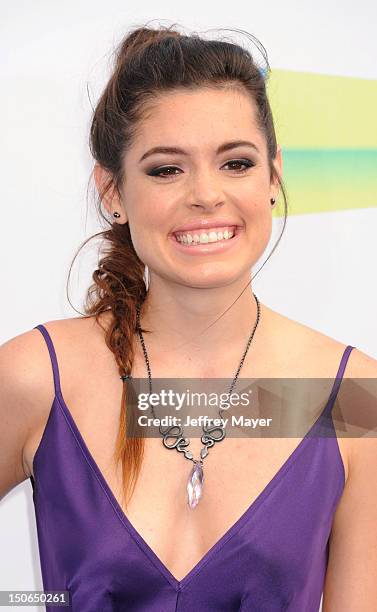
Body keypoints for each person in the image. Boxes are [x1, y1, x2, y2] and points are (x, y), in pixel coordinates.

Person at [1, 23, 376, 612]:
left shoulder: (356, 397)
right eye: (166, 169)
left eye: (236, 163)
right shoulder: (37, 376)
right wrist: (32, 601)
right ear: (112, 191)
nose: (206, 194)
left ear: (273, 176)